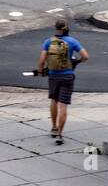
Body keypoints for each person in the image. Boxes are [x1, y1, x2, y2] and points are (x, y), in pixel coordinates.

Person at [36, 18, 88, 146]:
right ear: (67, 28)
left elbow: (42, 60)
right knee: (63, 105)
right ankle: (60, 134)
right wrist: (76, 62)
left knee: (54, 101)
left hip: (53, 76)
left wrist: (41, 71)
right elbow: (86, 56)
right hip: (68, 76)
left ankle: (53, 127)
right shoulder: (72, 41)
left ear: (56, 28)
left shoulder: (48, 42)